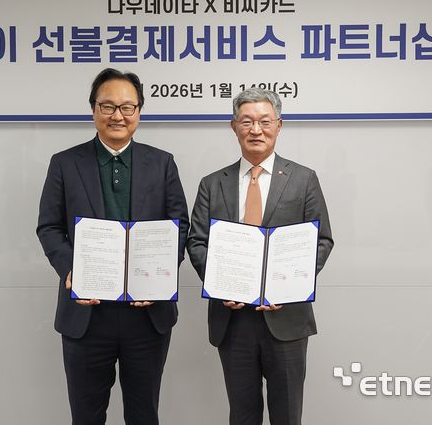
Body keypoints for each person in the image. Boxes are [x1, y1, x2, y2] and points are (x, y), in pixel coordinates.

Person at [36, 68, 189, 425]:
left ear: (139, 112)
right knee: (86, 417)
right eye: (107, 106)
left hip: (146, 314)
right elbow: (49, 227)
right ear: (93, 110)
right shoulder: (65, 163)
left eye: (127, 107)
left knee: (143, 415)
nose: (117, 115)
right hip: (87, 315)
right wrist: (71, 269)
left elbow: (179, 225)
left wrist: (160, 276)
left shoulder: (162, 163)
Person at [187, 88, 334, 425]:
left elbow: (321, 241)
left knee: (287, 415)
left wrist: (289, 286)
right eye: (247, 122)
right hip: (233, 320)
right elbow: (197, 242)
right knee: (242, 415)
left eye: (265, 122)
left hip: (287, 318)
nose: (256, 130)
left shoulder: (303, 179)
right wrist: (222, 285)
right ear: (234, 126)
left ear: (278, 125)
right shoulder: (212, 184)